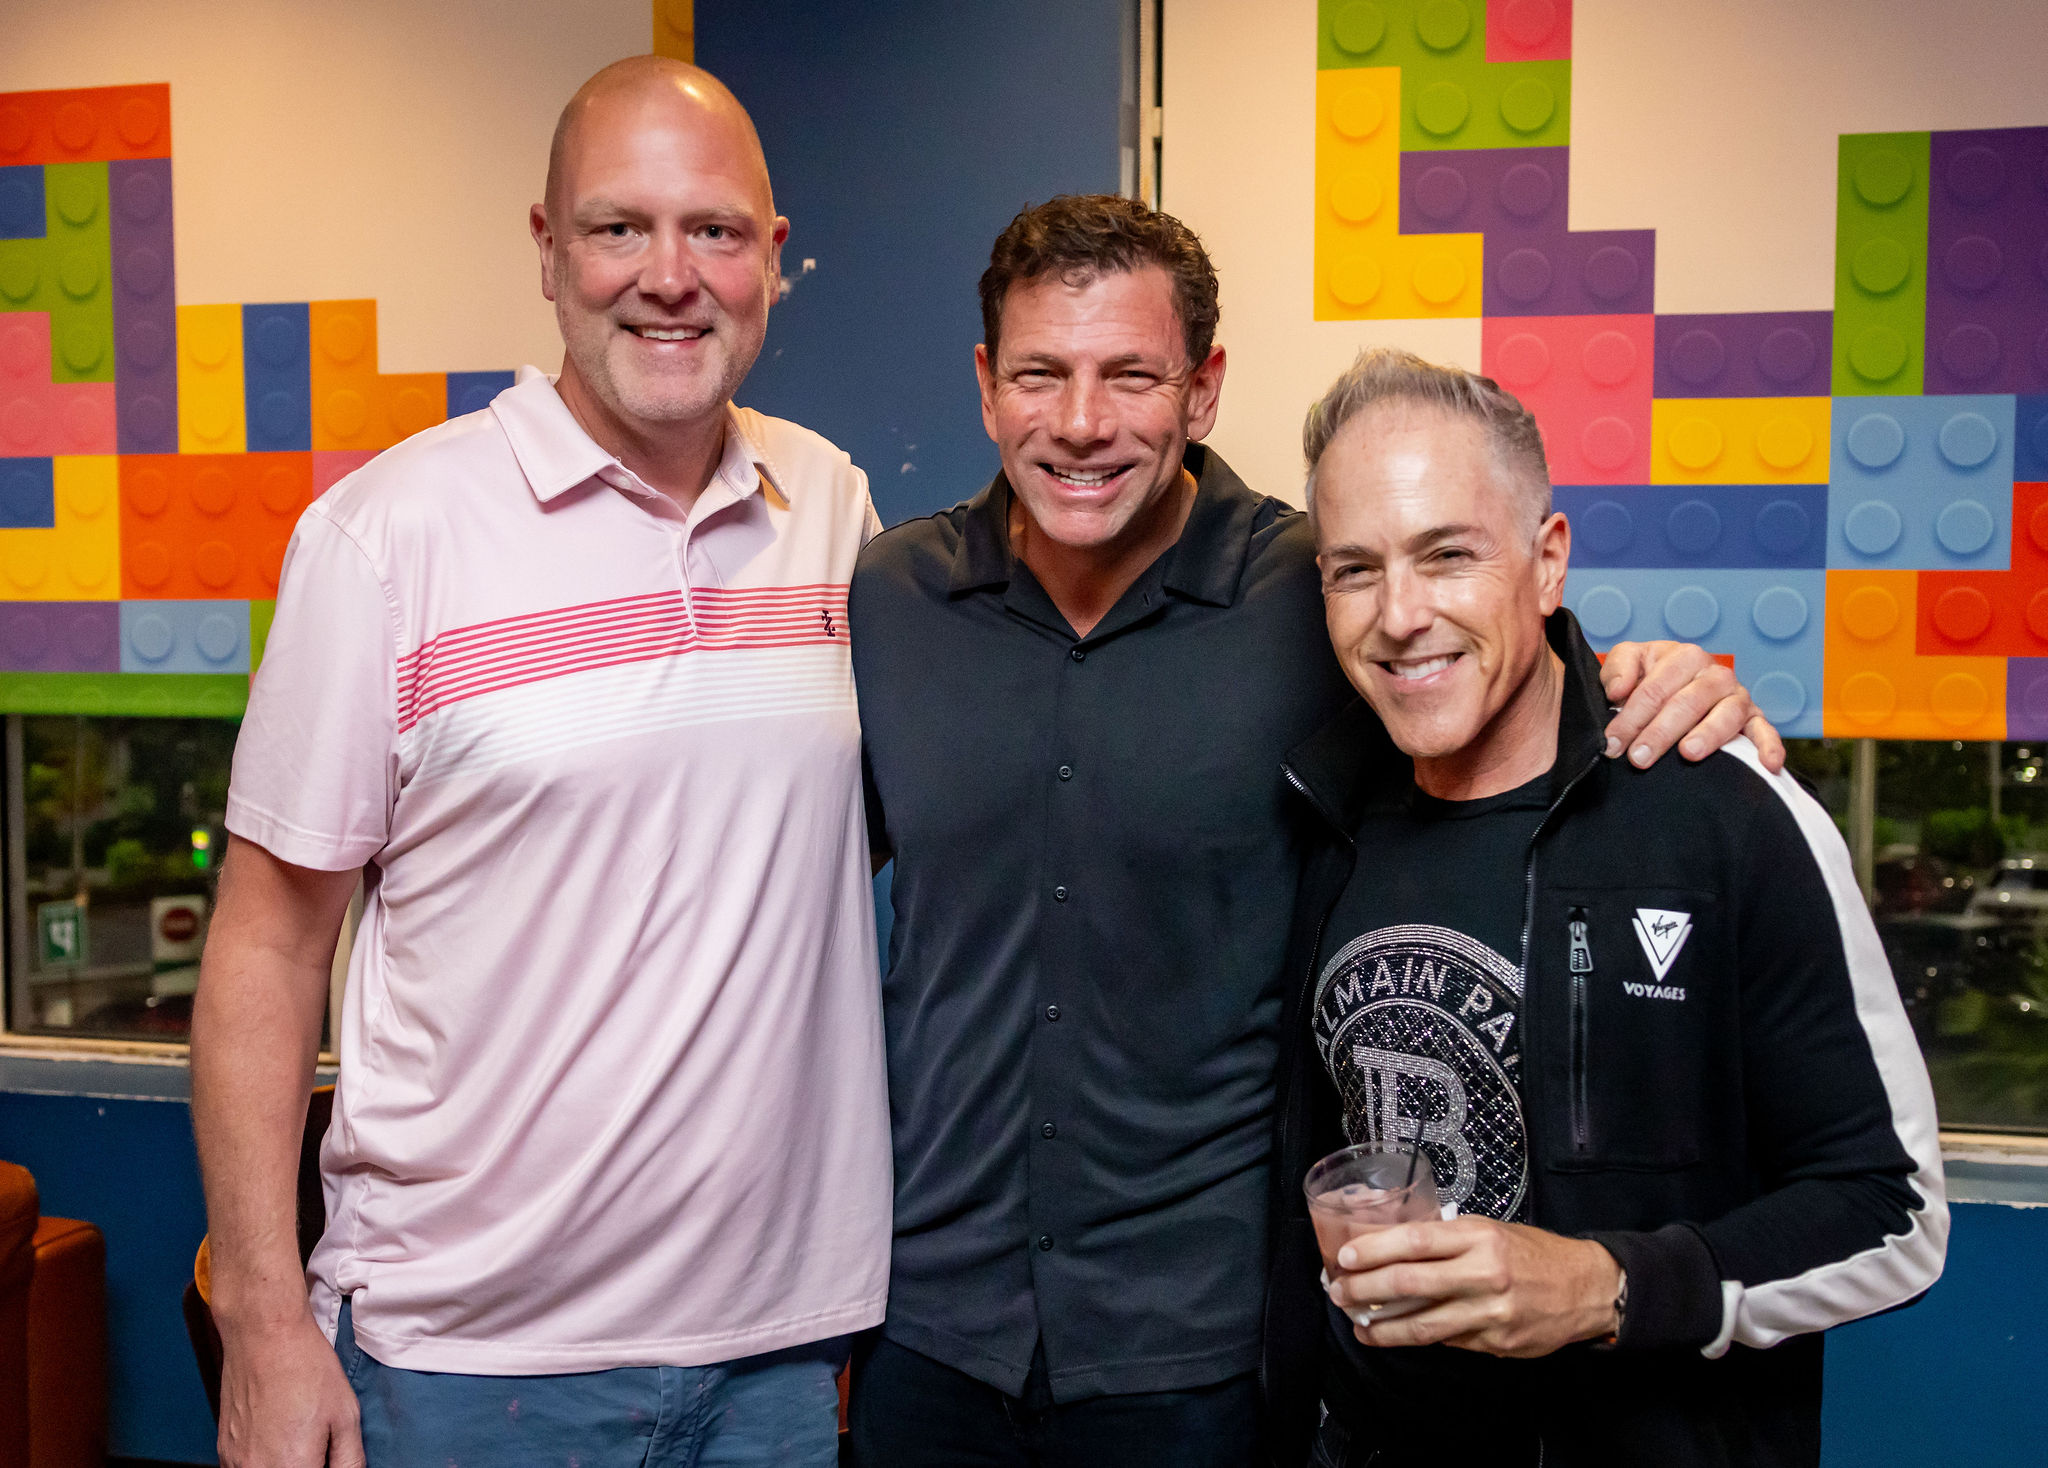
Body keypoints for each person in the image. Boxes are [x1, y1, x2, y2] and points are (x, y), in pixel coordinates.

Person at [846, 194, 1783, 1467]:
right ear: (982, 384)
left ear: (1203, 389)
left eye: (1131, 375)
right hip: (925, 1337)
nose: (1079, 422)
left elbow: (1494, 663)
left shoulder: (1315, 588)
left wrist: (1656, 681)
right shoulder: (892, 597)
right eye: (1038, 374)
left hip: (1201, 1352)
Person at [190, 57, 890, 1468]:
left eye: (714, 231)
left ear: (772, 255)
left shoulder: (830, 505)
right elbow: (265, 947)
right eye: (619, 227)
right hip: (470, 1366)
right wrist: (265, 1323)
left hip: (778, 1353)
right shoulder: (386, 539)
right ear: (549, 250)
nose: (669, 278)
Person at [1268, 348, 1947, 1467]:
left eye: (1447, 554)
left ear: (1546, 562)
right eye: (1354, 570)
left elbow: (1894, 1213)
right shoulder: (1319, 812)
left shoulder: (1724, 809)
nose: (1399, 614)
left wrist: (1606, 1287)